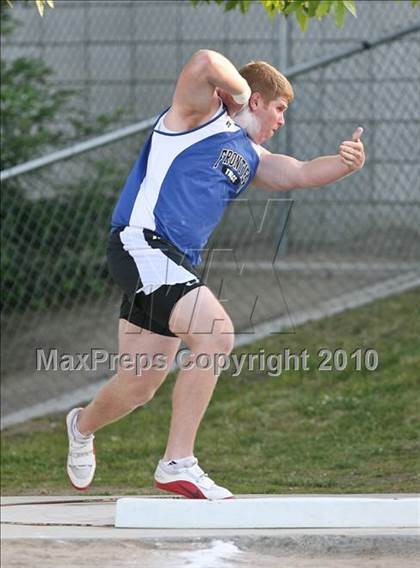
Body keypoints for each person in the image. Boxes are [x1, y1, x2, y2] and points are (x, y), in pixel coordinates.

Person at [65, 50, 365, 499]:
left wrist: (345, 164)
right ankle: (177, 462)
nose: (282, 120)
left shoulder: (251, 155)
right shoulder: (195, 116)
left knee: (140, 383)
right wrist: (237, 95)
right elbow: (205, 60)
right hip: (142, 242)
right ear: (256, 100)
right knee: (217, 334)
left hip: (171, 262)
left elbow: (301, 172)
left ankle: (81, 426)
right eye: (279, 108)